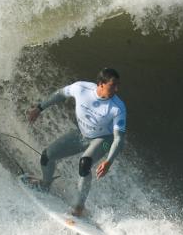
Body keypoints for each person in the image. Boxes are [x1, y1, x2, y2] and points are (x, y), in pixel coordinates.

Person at [25, 68, 127, 217]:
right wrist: (39, 108)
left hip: (105, 140)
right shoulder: (81, 88)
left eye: (118, 85)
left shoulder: (117, 107)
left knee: (85, 163)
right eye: (113, 85)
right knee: (47, 155)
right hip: (81, 134)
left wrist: (108, 162)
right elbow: (60, 95)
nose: (116, 89)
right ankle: (45, 184)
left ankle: (79, 207)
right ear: (101, 84)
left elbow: (118, 138)